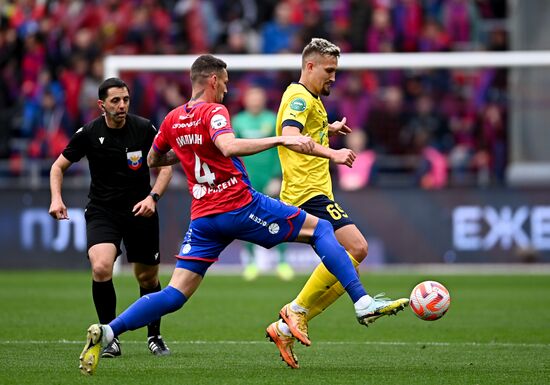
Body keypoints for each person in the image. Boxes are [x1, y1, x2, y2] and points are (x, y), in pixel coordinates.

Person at [78, 54, 407, 375]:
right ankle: (362, 301)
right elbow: (229, 147)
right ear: (212, 80)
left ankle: (109, 331)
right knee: (322, 230)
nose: (225, 89)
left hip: (204, 219)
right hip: (239, 204)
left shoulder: (172, 119)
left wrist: (191, 154)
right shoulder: (214, 110)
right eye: (224, 83)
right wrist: (279, 139)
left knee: (174, 294)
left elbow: (153, 160)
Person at [265, 38, 408, 368]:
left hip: (314, 192)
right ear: (310, 66)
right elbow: (290, 134)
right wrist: (333, 152)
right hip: (307, 193)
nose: (333, 77)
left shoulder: (309, 99)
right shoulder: (300, 97)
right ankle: (299, 311)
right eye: (329, 70)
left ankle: (288, 324)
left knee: (354, 253)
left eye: (336, 71)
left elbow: (305, 131)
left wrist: (327, 129)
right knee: (357, 248)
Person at [49, 77, 173, 358]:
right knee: (102, 267)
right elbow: (58, 167)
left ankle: (154, 335)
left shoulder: (143, 128)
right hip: (103, 212)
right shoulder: (89, 133)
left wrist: (152, 198)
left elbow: (165, 167)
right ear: (101, 104)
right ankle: (110, 336)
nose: (122, 105)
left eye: (126, 99)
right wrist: (56, 198)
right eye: (115, 100)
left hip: (141, 210)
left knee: (147, 277)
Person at [232, 85, 294, 281]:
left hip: (270, 178)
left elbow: (280, 150)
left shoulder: (272, 119)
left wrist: (278, 176)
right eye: (252, 97)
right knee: (247, 220)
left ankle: (282, 261)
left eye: (258, 97)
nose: (255, 101)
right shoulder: (238, 121)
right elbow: (232, 150)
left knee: (279, 217)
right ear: (246, 99)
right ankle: (250, 261)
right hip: (246, 179)